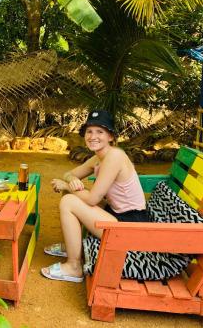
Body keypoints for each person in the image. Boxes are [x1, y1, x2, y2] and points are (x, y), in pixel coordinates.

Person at [41, 110, 148, 282]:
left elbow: (92, 199)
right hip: (116, 217)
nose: (93, 136)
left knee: (69, 200)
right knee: (71, 195)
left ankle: (74, 267)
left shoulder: (115, 156)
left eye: (100, 132)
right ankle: (72, 247)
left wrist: (68, 186)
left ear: (110, 137)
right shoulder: (99, 157)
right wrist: (72, 180)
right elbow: (68, 173)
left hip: (130, 227)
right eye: (89, 131)